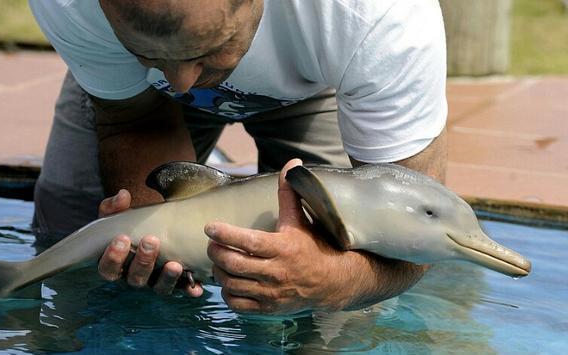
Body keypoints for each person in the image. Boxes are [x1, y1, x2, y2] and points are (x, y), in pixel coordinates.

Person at [28, 0, 448, 314]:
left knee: (338, 298)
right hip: (140, 98)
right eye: (150, 53)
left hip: (314, 77)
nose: (182, 82)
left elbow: (415, 236)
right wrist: (156, 233)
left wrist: (331, 280)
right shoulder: (70, 4)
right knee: (69, 232)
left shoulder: (377, 17)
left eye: (210, 49)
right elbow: (134, 120)